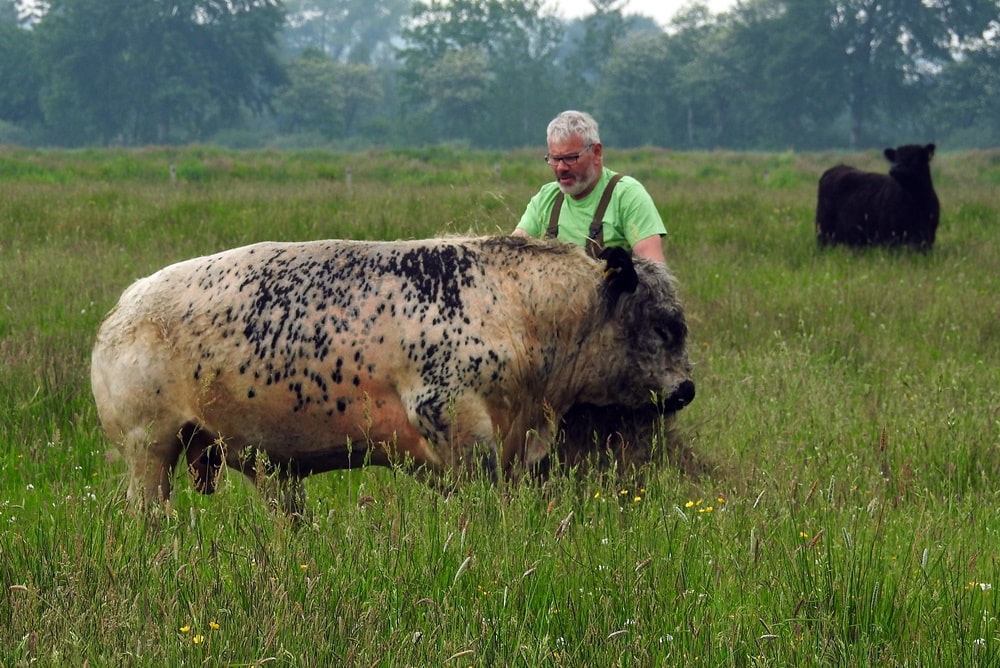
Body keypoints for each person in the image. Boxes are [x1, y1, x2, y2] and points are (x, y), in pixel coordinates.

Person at [513, 110, 667, 263]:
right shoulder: (546, 198)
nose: (561, 167)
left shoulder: (627, 195)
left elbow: (655, 274)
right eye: (555, 158)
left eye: (570, 158)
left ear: (597, 152)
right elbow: (511, 254)